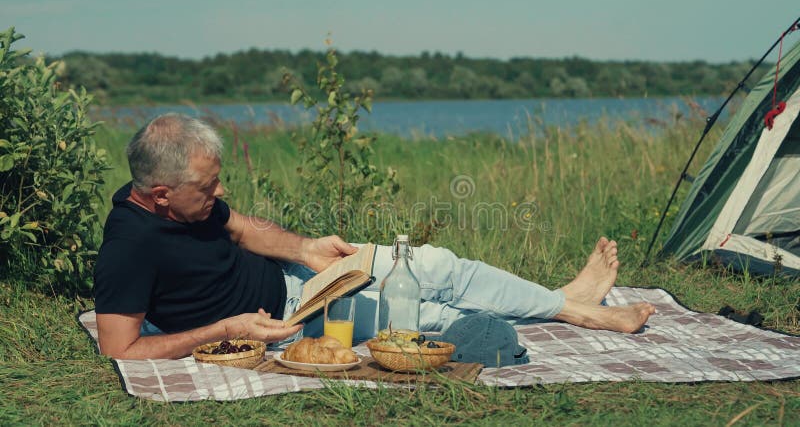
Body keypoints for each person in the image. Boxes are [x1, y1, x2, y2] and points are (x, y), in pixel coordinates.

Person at [94, 113, 655, 360]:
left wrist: (305, 248)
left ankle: (569, 304)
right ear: (161, 193)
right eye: (206, 185)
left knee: (435, 266)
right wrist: (226, 329)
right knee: (424, 318)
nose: (218, 192)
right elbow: (120, 347)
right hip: (289, 322)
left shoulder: (194, 204)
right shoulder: (129, 245)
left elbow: (241, 228)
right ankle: (580, 308)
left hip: (302, 278)